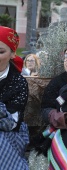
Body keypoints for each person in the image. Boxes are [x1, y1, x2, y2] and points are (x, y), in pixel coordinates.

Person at [0, 26, 29, 169]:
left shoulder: (18, 83)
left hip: (9, 133)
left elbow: (12, 122)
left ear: (12, 54)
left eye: (0, 51)